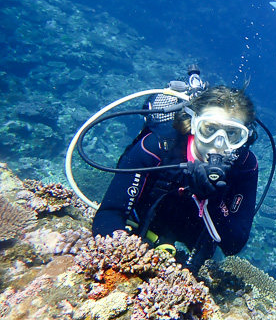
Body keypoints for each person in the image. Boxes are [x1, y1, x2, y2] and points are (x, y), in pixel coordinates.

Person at [92, 85, 259, 274]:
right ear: (193, 124)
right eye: (210, 129)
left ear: (246, 136)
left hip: (193, 252)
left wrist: (211, 198)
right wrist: (130, 258)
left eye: (231, 134)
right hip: (141, 232)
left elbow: (234, 245)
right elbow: (108, 214)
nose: (218, 143)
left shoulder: (245, 165)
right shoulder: (156, 147)